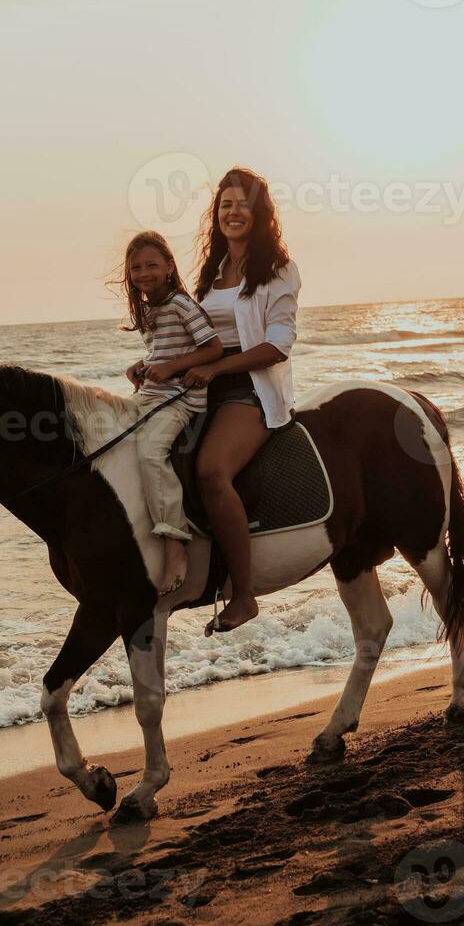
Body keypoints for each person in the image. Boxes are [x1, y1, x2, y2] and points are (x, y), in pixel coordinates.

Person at [180, 167, 301, 634]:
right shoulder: (209, 274)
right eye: (225, 204)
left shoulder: (279, 271)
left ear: (260, 213)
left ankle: (244, 594)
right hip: (202, 384)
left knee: (211, 470)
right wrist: (156, 365)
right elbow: (195, 337)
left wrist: (215, 369)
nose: (233, 212)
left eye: (242, 204)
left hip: (251, 388)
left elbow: (278, 344)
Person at [119, 231, 224, 594]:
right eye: (136, 267)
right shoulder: (148, 309)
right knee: (107, 439)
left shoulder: (181, 304)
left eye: (151, 265)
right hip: (153, 393)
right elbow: (161, 352)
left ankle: (174, 541)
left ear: (168, 267)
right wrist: (142, 365)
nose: (144, 273)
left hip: (181, 399)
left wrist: (172, 368)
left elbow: (213, 348)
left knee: (150, 452)